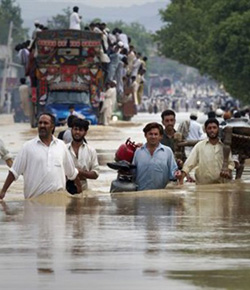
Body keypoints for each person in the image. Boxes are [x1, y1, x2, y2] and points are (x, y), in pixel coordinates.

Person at [0, 113, 81, 199]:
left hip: (58, 204)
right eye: (40, 123)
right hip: (34, 203)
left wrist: (80, 193)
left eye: (45, 123)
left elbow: (72, 173)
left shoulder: (61, 146)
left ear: (52, 126)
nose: (42, 125)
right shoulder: (27, 147)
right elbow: (14, 172)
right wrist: (3, 191)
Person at [180, 118, 234, 185]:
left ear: (218, 129)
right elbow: (189, 164)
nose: (212, 130)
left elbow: (231, 163)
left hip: (222, 185)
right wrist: (181, 179)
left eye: (214, 128)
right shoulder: (199, 146)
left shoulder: (225, 147)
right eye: (209, 128)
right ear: (205, 130)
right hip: (203, 186)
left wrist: (228, 170)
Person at [132, 122, 181, 191]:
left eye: (156, 134)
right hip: (141, 194)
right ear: (145, 135)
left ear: (160, 136)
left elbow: (173, 172)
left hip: (161, 195)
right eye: (150, 134)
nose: (153, 137)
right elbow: (133, 173)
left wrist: (178, 174)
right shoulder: (138, 152)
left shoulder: (167, 151)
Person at [67, 118, 99, 191]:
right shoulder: (64, 149)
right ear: (71, 130)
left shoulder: (91, 150)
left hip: (83, 190)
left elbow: (95, 174)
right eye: (75, 129)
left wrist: (80, 172)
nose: (77, 132)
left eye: (80, 130)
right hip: (65, 188)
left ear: (85, 132)